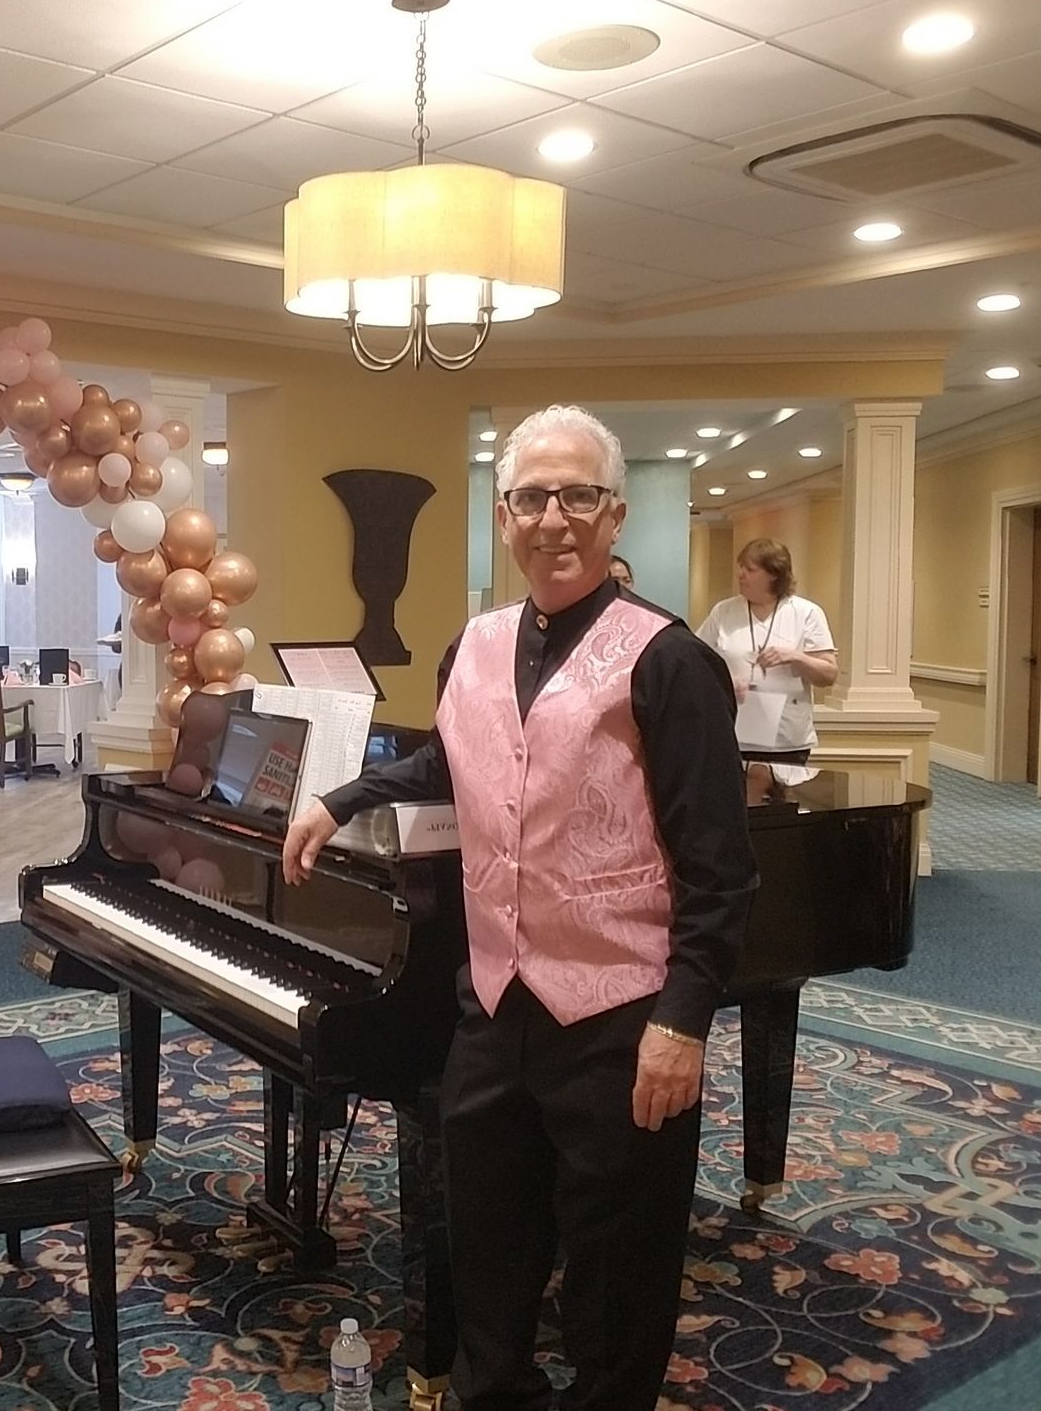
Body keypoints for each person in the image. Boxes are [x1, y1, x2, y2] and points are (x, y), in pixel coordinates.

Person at [283, 405, 757, 1411]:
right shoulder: (476, 643)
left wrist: (682, 1023)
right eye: (532, 498)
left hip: (621, 1018)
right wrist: (342, 796)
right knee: (489, 1252)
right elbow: (451, 762)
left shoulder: (670, 660)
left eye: (578, 495)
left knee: (616, 1279)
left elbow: (720, 870)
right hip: (495, 1008)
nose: (554, 519)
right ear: (503, 517)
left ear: (614, 513)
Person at [695, 538, 837, 800]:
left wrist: (796, 657)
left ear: (773, 574)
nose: (741, 575)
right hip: (733, 733)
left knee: (780, 811)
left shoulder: (806, 613)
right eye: (741, 567)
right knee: (730, 805)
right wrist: (724, 681)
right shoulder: (724, 612)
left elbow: (828, 674)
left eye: (750, 569)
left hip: (786, 740)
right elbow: (696, 663)